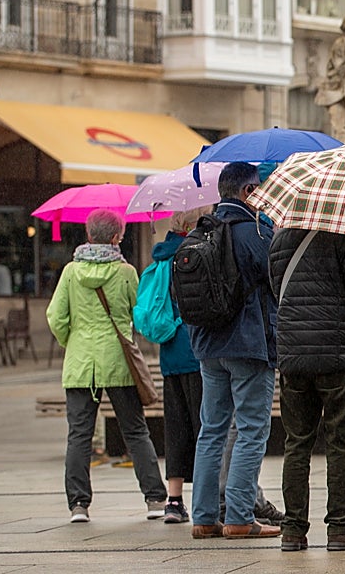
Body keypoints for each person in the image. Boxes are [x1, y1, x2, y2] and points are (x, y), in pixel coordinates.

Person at [46, 208, 167, 523]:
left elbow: (56, 317)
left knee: (79, 435)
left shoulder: (71, 272)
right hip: (117, 361)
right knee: (135, 430)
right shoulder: (125, 272)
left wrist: (71, 342)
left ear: (88, 235)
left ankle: (78, 505)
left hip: (80, 363)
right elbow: (136, 314)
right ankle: (155, 498)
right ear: (117, 237)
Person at [270, 217, 345, 552]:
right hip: (335, 355)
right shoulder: (342, 237)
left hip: (293, 354)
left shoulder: (278, 242)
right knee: (340, 441)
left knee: (296, 443)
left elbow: (278, 292)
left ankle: (292, 530)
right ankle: (341, 527)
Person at [188, 162, 280, 540]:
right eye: (258, 189)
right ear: (246, 192)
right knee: (251, 429)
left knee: (211, 430)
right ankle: (241, 516)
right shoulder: (254, 233)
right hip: (248, 343)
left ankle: (204, 518)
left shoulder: (199, 232)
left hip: (208, 345)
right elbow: (275, 283)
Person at [142, 209, 206, 525]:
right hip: (195, 350)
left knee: (177, 426)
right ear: (192, 226)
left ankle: (174, 500)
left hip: (169, 355)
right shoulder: (192, 256)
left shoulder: (160, 259)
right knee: (204, 426)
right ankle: (210, 499)